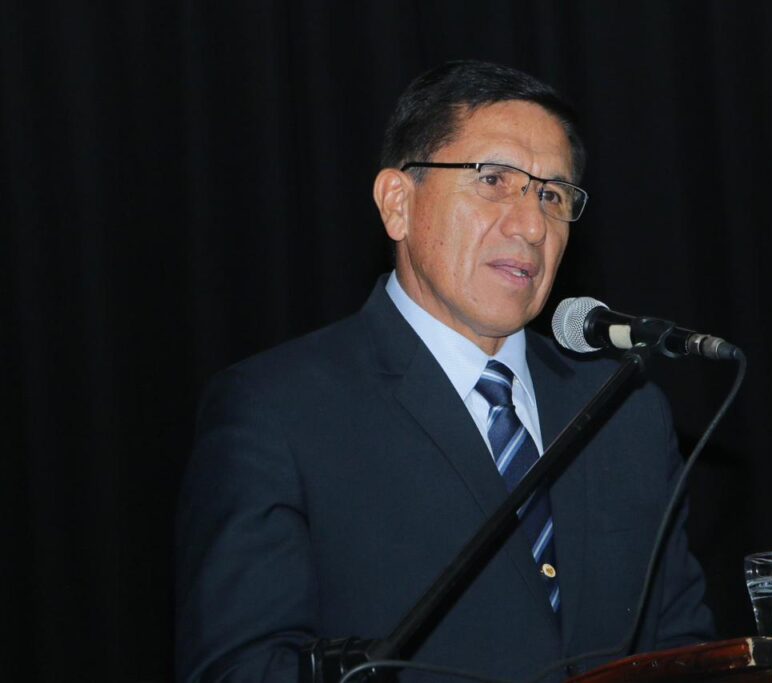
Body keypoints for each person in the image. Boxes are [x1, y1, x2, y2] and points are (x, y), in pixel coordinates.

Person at [175, 60, 714, 683]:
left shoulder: (625, 411)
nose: (531, 225)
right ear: (397, 204)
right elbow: (241, 669)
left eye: (551, 195)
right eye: (494, 180)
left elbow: (685, 654)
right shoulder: (277, 411)